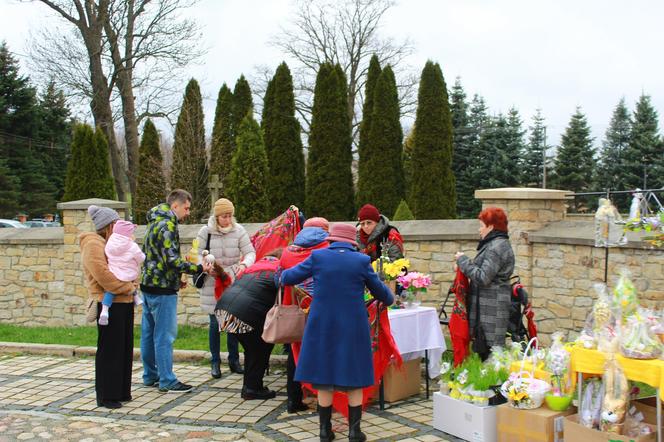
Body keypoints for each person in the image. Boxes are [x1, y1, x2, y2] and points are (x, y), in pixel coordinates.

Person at [281, 223, 394, 442]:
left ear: (331, 240)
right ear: (352, 242)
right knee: (354, 376)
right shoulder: (361, 261)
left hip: (321, 325)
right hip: (353, 327)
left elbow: (288, 277)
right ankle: (354, 432)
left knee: (324, 377)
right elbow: (382, 294)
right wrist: (389, 297)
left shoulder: (318, 257)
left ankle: (325, 431)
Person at [140, 189, 212, 393]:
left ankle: (150, 375)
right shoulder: (168, 224)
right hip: (162, 290)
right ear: (175, 206)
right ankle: (167, 380)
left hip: (148, 284)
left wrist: (175, 278)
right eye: (186, 208)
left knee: (148, 333)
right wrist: (199, 268)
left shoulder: (154, 221)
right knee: (164, 335)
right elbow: (172, 260)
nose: (188, 212)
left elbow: (154, 256)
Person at [80, 205, 137, 409]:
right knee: (110, 350)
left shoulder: (114, 242)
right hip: (109, 303)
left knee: (123, 348)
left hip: (125, 301)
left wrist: (131, 284)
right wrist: (127, 287)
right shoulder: (93, 244)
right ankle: (106, 395)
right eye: (115, 222)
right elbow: (102, 274)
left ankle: (121, 390)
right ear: (108, 225)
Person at [196, 198, 255, 378]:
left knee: (231, 321)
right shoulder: (205, 232)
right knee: (215, 323)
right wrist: (205, 265)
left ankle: (234, 360)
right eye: (224, 216)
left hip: (232, 279)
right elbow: (196, 254)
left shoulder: (239, 231)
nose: (227, 219)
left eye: (230, 216)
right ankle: (215, 362)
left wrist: (244, 264)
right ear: (217, 216)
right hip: (212, 281)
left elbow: (251, 252)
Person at [214, 251, 281, 400]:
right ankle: (252, 388)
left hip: (222, 310)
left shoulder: (254, 267)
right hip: (243, 313)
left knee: (253, 348)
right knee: (261, 347)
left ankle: (250, 386)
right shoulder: (279, 270)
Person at [278, 216, 330, 414]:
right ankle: (324, 400)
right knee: (323, 354)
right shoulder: (327, 249)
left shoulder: (288, 251)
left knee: (294, 352)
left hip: (295, 312)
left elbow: (278, 279)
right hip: (321, 312)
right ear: (325, 229)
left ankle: (294, 399)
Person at [454, 207, 515, 351]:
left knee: (490, 351)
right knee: (486, 350)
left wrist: (463, 261)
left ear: (491, 227)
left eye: (481, 226)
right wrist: (464, 266)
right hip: (488, 306)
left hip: (492, 307)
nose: (479, 230)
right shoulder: (494, 243)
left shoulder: (496, 247)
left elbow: (483, 278)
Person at [99, 220, 145, 325]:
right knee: (130, 283)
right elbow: (141, 258)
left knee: (110, 291)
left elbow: (107, 254)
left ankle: (105, 310)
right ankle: (136, 297)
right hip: (128, 273)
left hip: (114, 272)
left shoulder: (109, 243)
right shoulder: (132, 246)